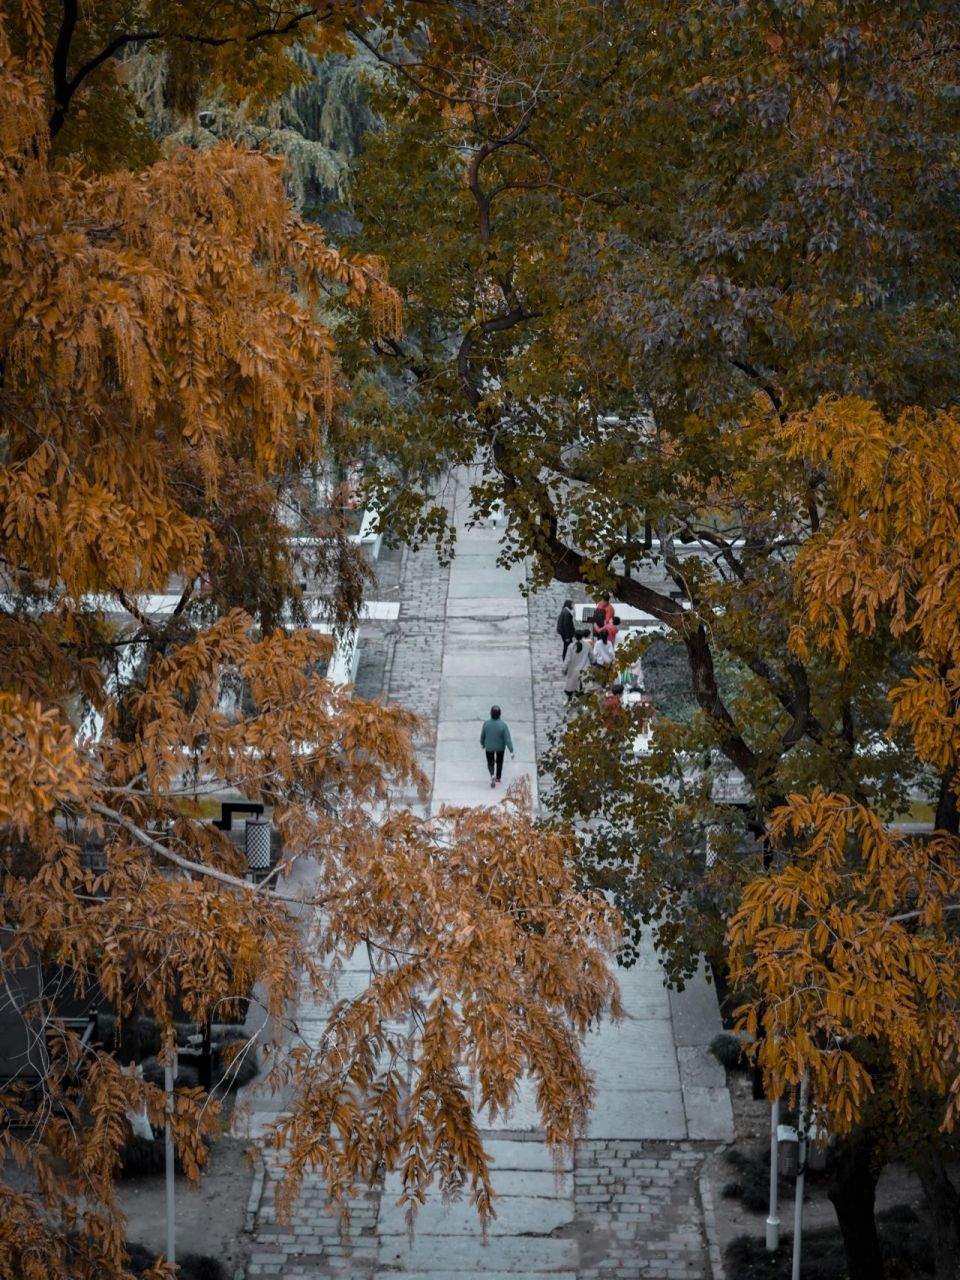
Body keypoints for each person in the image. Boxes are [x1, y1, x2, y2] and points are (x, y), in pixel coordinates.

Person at [480, 705, 514, 787]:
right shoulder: (503, 725)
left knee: (490, 762)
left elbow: (482, 736)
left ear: (490, 714)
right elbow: (507, 739)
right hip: (500, 748)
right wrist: (511, 751)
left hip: (489, 747)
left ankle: (492, 775)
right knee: (499, 762)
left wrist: (482, 743)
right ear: (500, 714)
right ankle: (498, 778)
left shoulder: (486, 724)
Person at [562, 630, 591, 701]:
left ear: (574, 637)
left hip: (573, 671)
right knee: (584, 689)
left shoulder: (571, 646)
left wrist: (564, 669)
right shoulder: (588, 646)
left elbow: (567, 659)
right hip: (584, 671)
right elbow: (592, 658)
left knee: (572, 688)